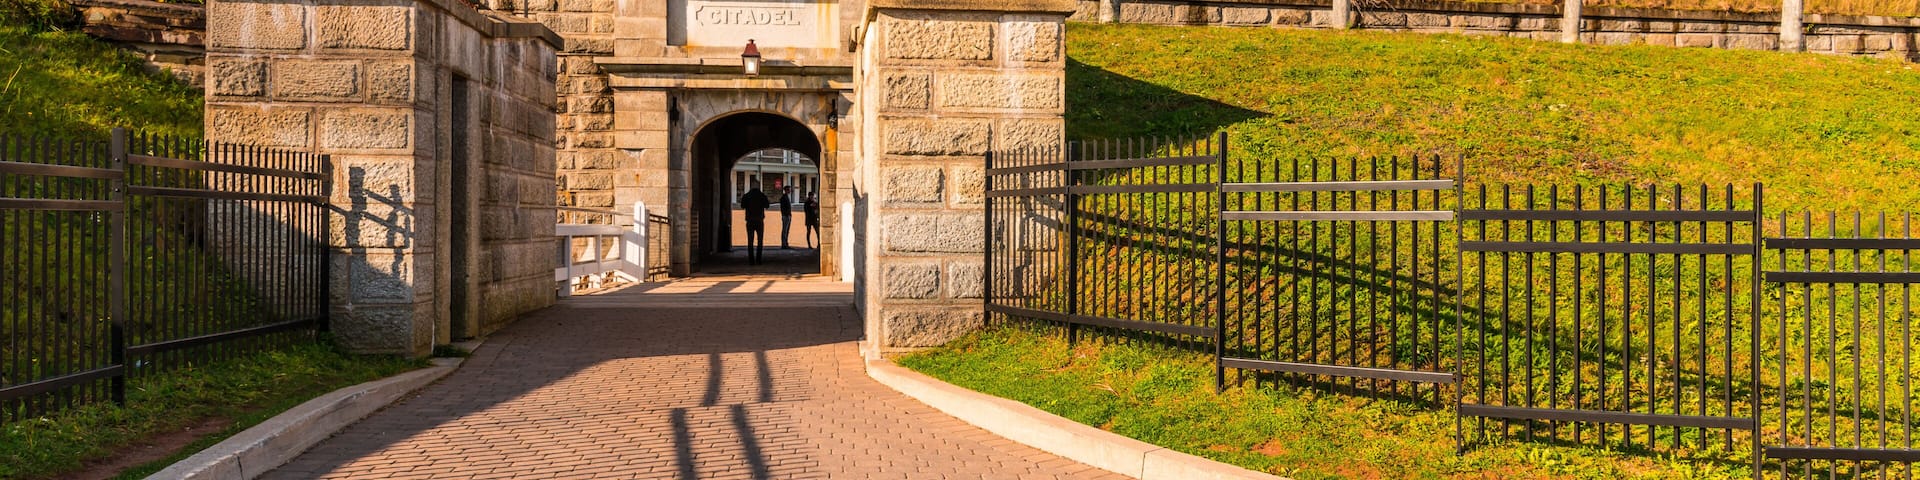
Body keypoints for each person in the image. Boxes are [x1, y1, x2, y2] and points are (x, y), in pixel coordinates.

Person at [740, 182, 769, 265]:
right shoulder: (762, 195)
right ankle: (759, 259)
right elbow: (767, 205)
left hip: (750, 220)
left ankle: (751, 260)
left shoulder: (746, 196)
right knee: (760, 240)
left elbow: (742, 206)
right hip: (759, 220)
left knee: (750, 240)